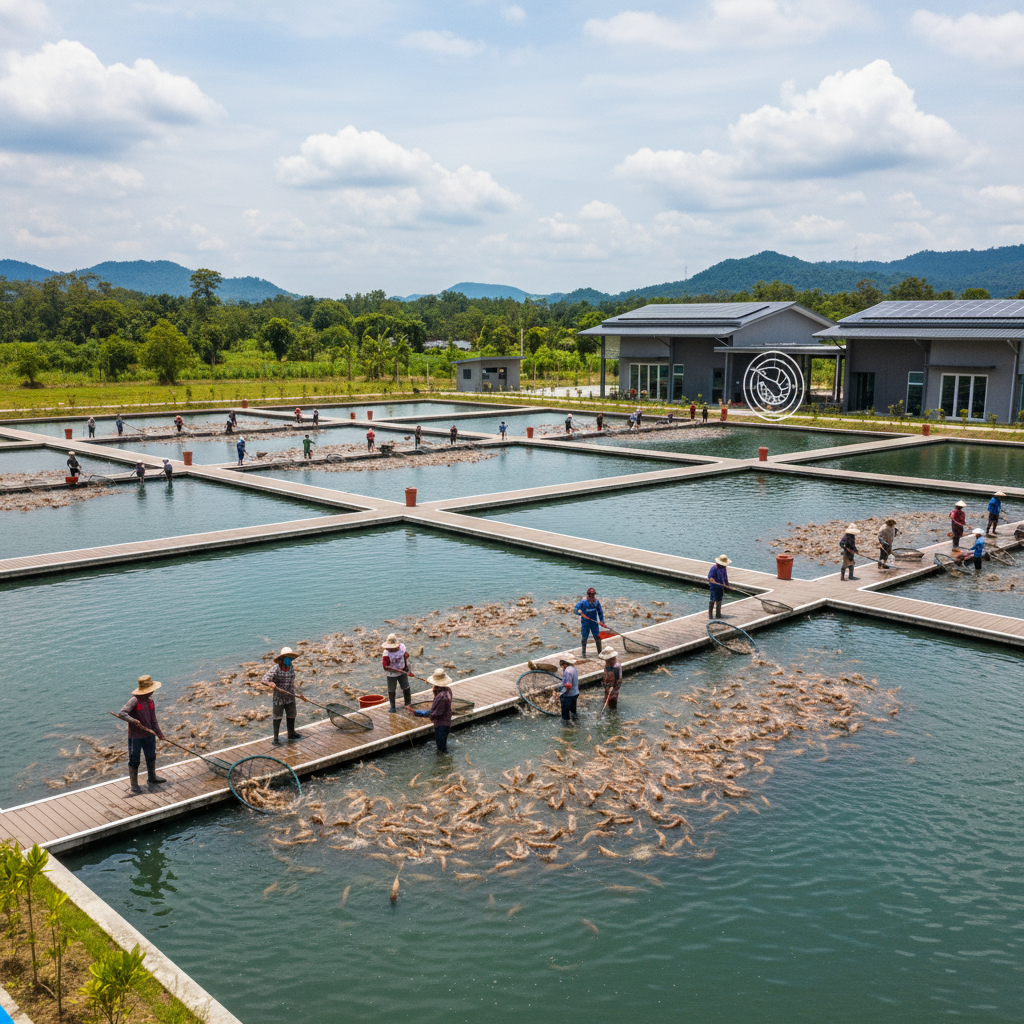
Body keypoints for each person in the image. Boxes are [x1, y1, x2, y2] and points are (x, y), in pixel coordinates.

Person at [117, 675, 167, 794]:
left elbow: (153, 720)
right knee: (134, 760)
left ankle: (152, 777)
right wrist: (134, 721)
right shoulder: (134, 700)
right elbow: (122, 713)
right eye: (151, 689)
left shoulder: (150, 702)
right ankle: (134, 785)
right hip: (135, 737)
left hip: (149, 734)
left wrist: (159, 733)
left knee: (151, 756)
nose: (153, 691)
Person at [264, 646, 302, 745]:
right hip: (279, 698)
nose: (289, 660)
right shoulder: (276, 668)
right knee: (277, 717)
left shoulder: (291, 668)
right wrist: (270, 684)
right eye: (287, 658)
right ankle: (276, 739)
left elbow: (292, 681)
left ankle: (291, 733)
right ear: (282, 659)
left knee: (292, 715)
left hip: (290, 696)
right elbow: (264, 679)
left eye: (290, 658)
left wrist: (298, 692)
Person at [409, 668, 454, 752]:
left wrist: (416, 712)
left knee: (441, 748)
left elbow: (433, 713)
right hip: (446, 720)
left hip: (441, 724)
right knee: (442, 743)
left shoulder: (441, 697)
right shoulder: (448, 690)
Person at [382, 633, 413, 713]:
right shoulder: (386, 653)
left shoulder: (402, 648)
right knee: (391, 689)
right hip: (391, 674)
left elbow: (406, 656)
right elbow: (385, 666)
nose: (392, 649)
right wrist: (391, 668)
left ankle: (408, 703)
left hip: (403, 670)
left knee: (406, 687)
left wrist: (406, 668)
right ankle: (393, 707)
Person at [574, 587, 605, 658]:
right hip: (585, 623)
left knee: (597, 637)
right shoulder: (583, 602)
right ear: (587, 595)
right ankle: (583, 653)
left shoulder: (596, 602)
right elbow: (575, 610)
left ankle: (600, 653)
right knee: (584, 638)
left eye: (593, 595)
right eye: (590, 595)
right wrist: (580, 613)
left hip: (594, 623)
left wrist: (602, 621)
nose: (591, 597)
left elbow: (600, 612)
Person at [558, 654, 579, 724]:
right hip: (575, 693)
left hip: (568, 696)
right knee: (573, 711)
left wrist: (560, 693)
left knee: (565, 716)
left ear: (564, 664)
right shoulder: (574, 669)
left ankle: (567, 728)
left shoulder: (567, 671)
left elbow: (568, 686)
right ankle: (576, 723)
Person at [707, 554, 730, 619]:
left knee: (719, 600)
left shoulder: (724, 568)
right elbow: (709, 577)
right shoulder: (714, 568)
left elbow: (725, 577)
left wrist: (727, 584)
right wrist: (712, 580)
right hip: (714, 586)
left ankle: (718, 614)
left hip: (720, 586)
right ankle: (710, 615)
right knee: (713, 599)